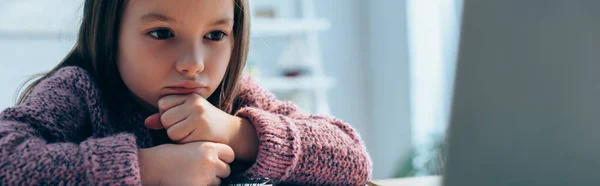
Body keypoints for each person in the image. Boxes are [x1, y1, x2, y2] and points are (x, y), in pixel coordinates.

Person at [0, 0, 372, 185]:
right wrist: (147, 169)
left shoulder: (237, 98)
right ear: (109, 32)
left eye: (215, 35)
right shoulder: (77, 90)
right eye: (162, 33)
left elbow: (352, 159)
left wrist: (240, 134)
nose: (194, 63)